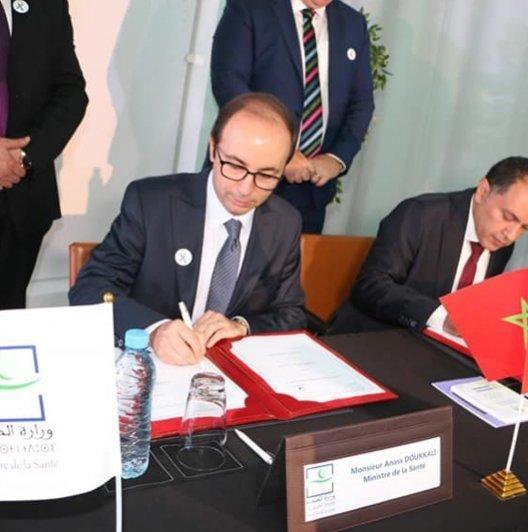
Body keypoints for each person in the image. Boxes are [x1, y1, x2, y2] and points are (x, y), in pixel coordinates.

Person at [70, 93, 306, 365]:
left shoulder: (284, 222)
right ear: (213, 149)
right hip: (150, 366)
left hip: (227, 372)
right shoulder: (151, 203)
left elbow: (291, 313)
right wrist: (154, 330)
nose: (245, 189)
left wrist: (242, 326)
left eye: (266, 174)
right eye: (234, 165)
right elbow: (90, 288)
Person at [331, 157, 528, 333]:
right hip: (373, 339)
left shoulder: (501, 243)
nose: (511, 235)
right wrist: (441, 317)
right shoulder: (420, 215)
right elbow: (371, 286)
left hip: (435, 353)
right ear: (483, 191)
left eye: (525, 227)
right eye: (508, 217)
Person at [211, 0, 375, 234]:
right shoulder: (251, 6)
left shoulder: (352, 24)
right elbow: (229, 83)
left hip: (310, 192)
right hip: (244, 179)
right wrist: (281, 155)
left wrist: (336, 158)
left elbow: (362, 103)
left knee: (293, 257)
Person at [0, 0, 87, 309]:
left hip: (20, 199)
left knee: (7, 318)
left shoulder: (47, 4)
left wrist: (26, 156)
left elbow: (71, 92)